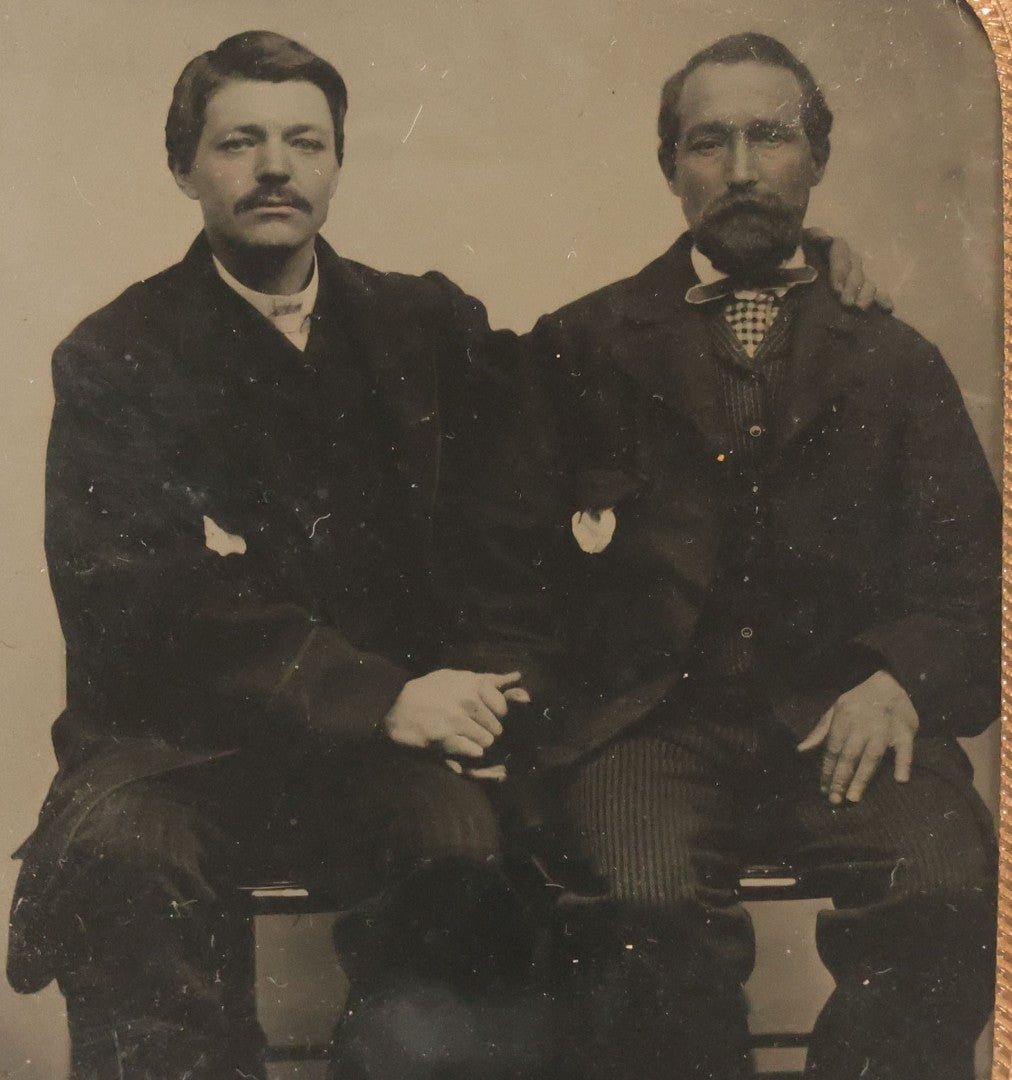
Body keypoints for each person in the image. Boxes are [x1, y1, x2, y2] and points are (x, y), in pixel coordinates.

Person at [6, 30, 547, 1080]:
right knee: (124, 863)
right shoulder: (117, 354)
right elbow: (136, 600)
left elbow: (551, 452)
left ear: (336, 164)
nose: (273, 167)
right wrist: (378, 691)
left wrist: (810, 272)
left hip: (375, 754)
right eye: (238, 142)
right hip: (173, 743)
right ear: (184, 168)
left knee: (463, 854)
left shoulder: (422, 325)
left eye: (304, 141)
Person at [523, 31, 1000, 1080]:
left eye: (770, 137)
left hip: (838, 713)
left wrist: (899, 676)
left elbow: (972, 578)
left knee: (947, 885)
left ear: (815, 159)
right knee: (640, 907)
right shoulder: (579, 344)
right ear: (668, 168)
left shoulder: (892, 359)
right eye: (708, 141)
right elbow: (510, 567)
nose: (740, 169)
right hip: (649, 724)